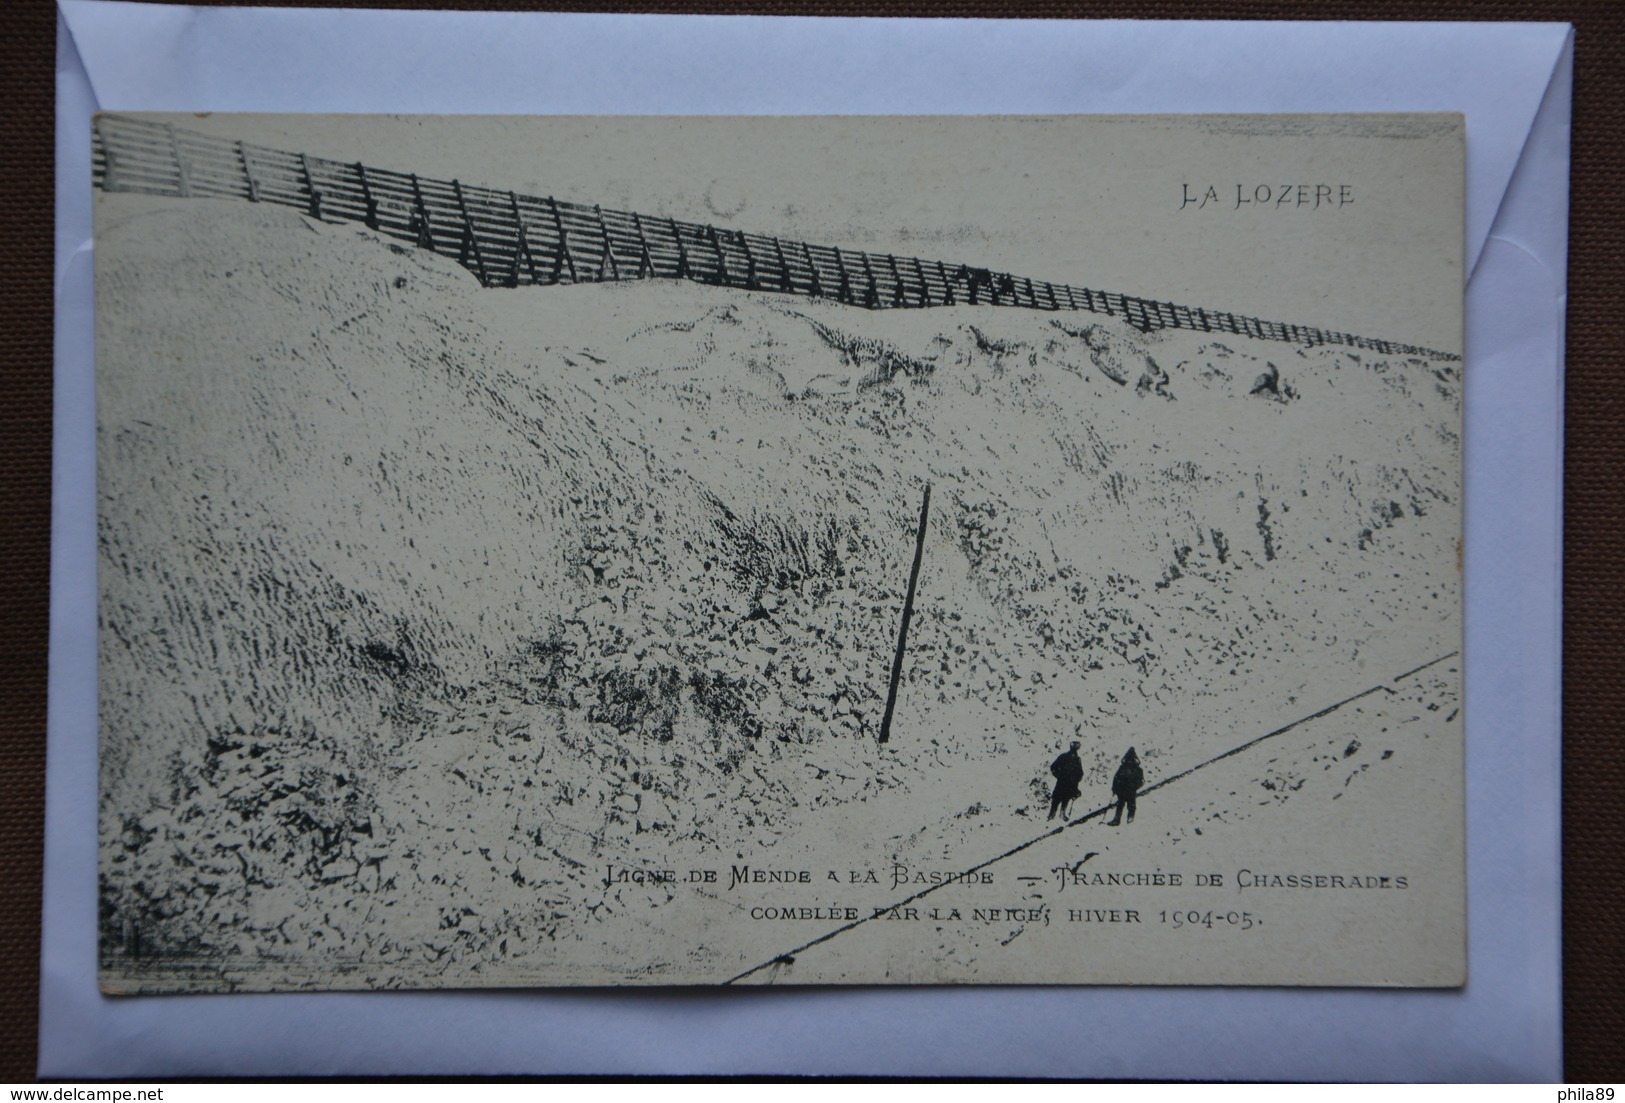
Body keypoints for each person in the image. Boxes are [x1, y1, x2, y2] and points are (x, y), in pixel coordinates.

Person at [1048, 741, 1084, 821]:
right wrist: (1059, 776)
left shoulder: (1075, 759)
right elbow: (1053, 767)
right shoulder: (1066, 757)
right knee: (1058, 798)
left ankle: (1058, 814)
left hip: (1067, 783)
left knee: (1063, 798)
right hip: (1064, 782)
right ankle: (1053, 814)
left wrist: (1059, 776)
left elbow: (1080, 773)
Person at [1107, 747, 1143, 826]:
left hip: (1123, 790)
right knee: (1130, 805)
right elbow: (1141, 781)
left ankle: (1117, 820)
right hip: (1129, 790)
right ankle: (1129, 818)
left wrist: (1114, 788)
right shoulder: (1137, 769)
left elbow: (1116, 778)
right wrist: (1135, 787)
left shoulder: (1122, 767)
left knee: (1121, 805)